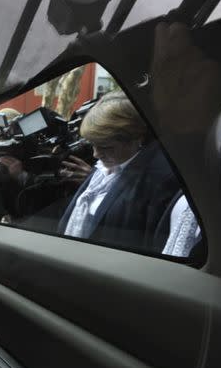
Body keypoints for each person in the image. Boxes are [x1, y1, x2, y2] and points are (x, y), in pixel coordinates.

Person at [58, 91, 180, 252]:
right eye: (93, 145)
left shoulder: (159, 180)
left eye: (106, 147)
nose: (95, 154)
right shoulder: (107, 166)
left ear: (137, 138)